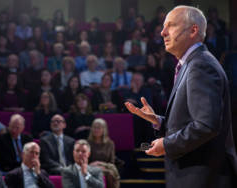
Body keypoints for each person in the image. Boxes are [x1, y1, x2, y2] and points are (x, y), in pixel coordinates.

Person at [125, 5, 237, 188]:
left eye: (171, 26)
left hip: (202, 177)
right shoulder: (191, 64)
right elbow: (192, 121)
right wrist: (160, 122)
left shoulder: (201, 65)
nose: (162, 33)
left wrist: (167, 145)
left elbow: (206, 125)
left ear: (193, 30)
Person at [88, 118, 120, 188]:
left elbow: (111, 162)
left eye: (99, 128)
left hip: (105, 167)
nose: (96, 130)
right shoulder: (87, 143)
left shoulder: (110, 143)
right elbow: (84, 161)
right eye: (94, 127)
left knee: (110, 173)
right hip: (90, 167)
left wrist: (100, 164)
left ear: (104, 130)